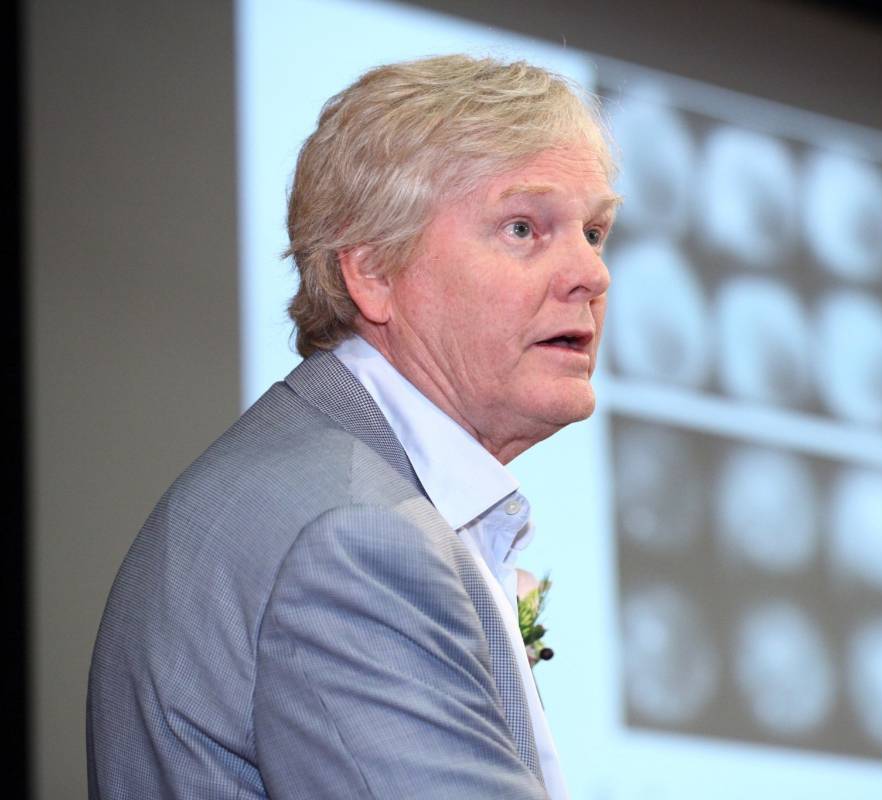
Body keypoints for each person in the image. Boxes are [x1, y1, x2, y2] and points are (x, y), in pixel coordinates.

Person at [86, 55, 619, 799]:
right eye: (525, 227)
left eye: (594, 232)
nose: (591, 275)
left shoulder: (342, 485)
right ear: (371, 273)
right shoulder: (355, 536)